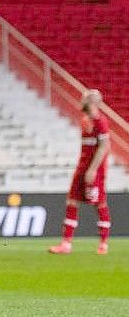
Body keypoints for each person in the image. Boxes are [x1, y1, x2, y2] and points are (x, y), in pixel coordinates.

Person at [49, 89, 111, 255]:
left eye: (84, 100)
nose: (81, 102)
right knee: (72, 201)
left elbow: (105, 147)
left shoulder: (101, 122)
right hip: (82, 168)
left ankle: (104, 243)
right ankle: (66, 244)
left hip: (94, 170)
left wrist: (92, 169)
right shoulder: (85, 121)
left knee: (99, 203)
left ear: (92, 103)